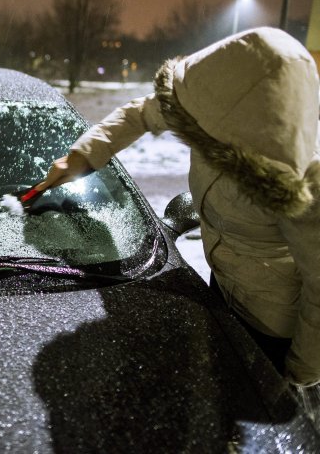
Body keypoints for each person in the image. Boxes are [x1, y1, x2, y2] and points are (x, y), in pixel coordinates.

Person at [34, 27, 320, 387]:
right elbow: (140, 114)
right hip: (221, 287)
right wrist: (83, 155)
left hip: (271, 325)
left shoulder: (305, 184)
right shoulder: (207, 112)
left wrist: (299, 372)